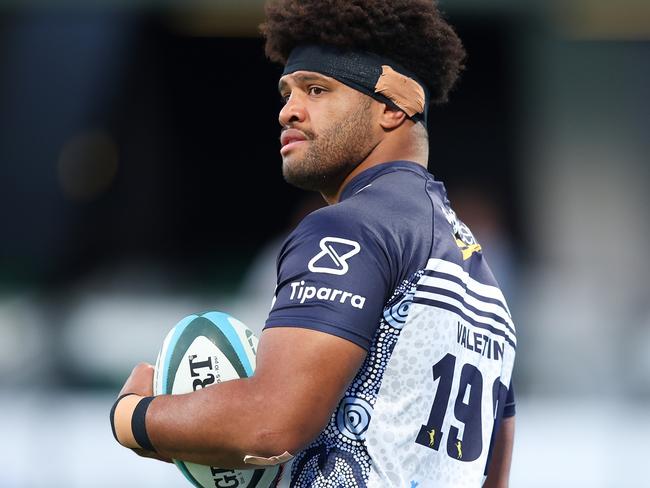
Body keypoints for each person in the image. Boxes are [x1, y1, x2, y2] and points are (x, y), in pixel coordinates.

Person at [110, 1, 517, 486]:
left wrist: (136, 417)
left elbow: (269, 425)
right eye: (286, 92)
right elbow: (494, 474)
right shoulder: (485, 283)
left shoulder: (353, 228)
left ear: (393, 107)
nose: (288, 110)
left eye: (317, 90)